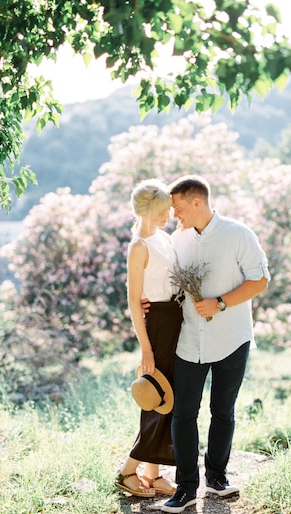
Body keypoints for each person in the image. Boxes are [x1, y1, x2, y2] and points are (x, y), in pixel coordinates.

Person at [161, 175, 270, 513]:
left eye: (178, 208)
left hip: (232, 338)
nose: (175, 215)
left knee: (222, 411)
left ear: (197, 202)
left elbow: (261, 280)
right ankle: (186, 488)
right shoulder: (177, 240)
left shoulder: (239, 234)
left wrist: (220, 302)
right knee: (183, 414)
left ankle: (217, 479)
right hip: (189, 341)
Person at [115, 179, 183, 498]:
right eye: (163, 211)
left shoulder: (164, 238)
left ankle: (153, 475)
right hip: (157, 326)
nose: (168, 215)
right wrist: (146, 348)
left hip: (176, 319)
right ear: (147, 210)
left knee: (170, 398)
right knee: (157, 398)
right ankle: (128, 471)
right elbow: (133, 301)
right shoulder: (138, 247)